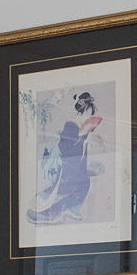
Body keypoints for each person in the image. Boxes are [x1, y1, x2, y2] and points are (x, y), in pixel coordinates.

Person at [32, 91, 102, 223]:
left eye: (90, 115)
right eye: (88, 114)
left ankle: (66, 211)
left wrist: (86, 140)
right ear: (81, 112)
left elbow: (82, 155)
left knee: (83, 185)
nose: (89, 117)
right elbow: (65, 150)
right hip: (67, 168)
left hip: (76, 169)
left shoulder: (84, 130)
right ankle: (49, 212)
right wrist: (81, 139)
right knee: (70, 188)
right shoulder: (71, 125)